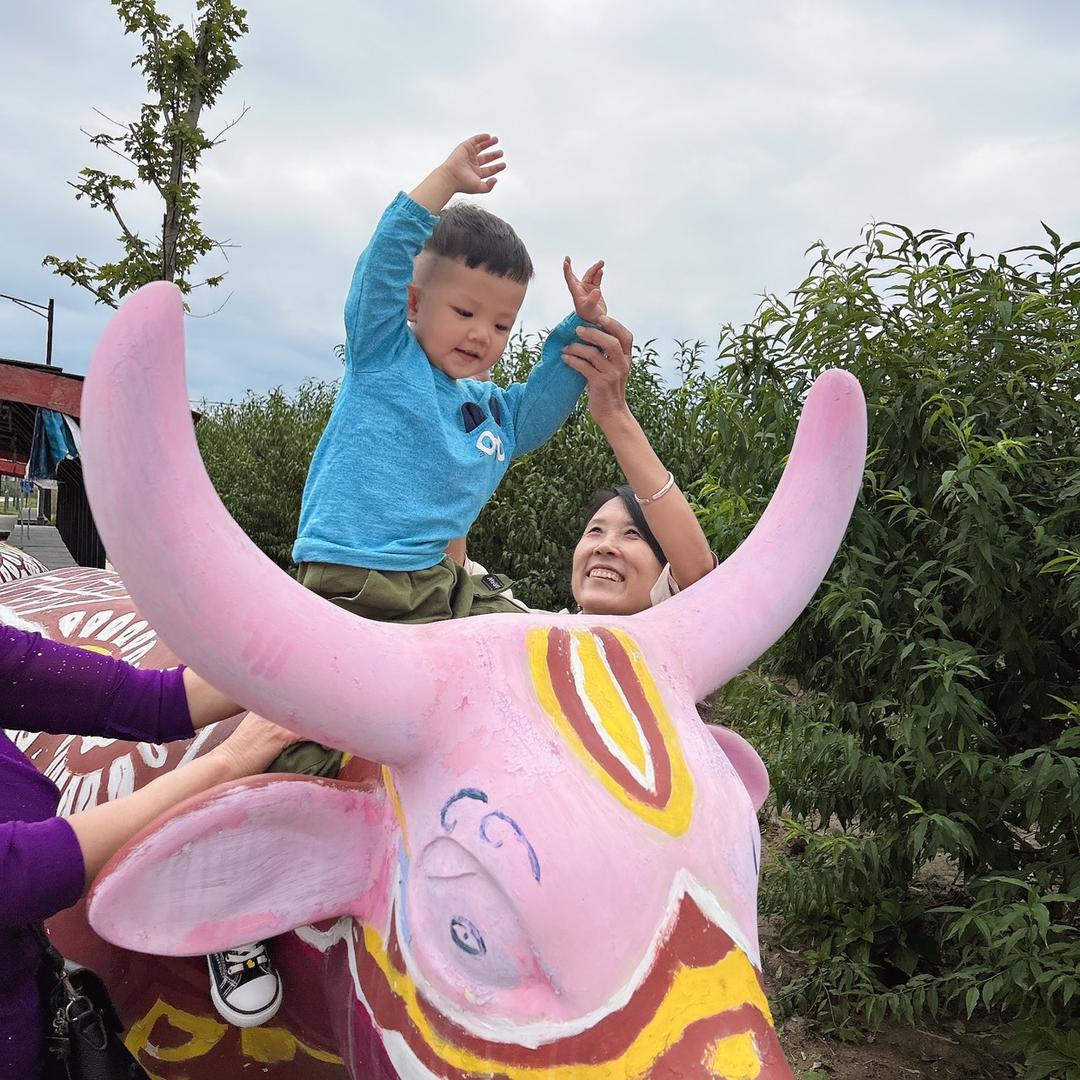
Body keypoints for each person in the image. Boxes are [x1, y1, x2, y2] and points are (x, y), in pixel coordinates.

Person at [290, 132, 604, 625]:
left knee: (523, 630)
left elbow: (541, 405)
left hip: (433, 578)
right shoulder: (384, 356)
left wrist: (581, 328)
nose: (481, 334)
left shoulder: (492, 413)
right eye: (464, 312)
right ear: (414, 303)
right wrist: (444, 181)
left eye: (501, 325)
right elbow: (383, 264)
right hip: (358, 571)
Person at [0, 618, 300, 1078]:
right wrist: (233, 760)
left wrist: (306, 666)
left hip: (33, 1002)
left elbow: (144, 699)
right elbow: (19, 872)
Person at [462, 312, 717, 615]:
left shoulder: (677, 630)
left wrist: (614, 412)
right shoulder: (517, 627)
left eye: (632, 533)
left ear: (666, 574)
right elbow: (444, 562)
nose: (604, 546)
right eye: (595, 530)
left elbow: (699, 575)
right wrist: (455, 420)